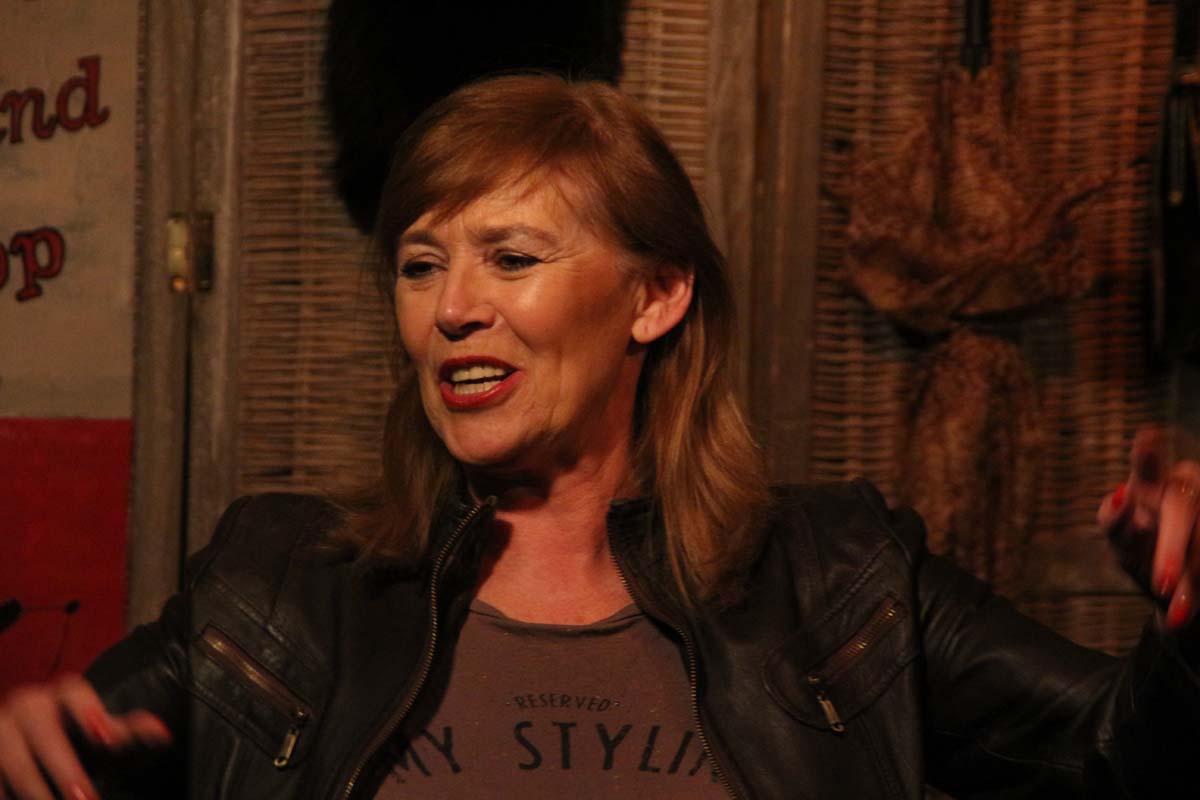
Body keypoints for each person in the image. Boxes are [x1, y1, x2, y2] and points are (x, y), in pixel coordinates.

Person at [1, 74, 1198, 800]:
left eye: (512, 256)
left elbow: (1118, 757)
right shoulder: (276, 585)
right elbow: (58, 755)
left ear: (655, 295)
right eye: (420, 264)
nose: (451, 307)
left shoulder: (843, 579)